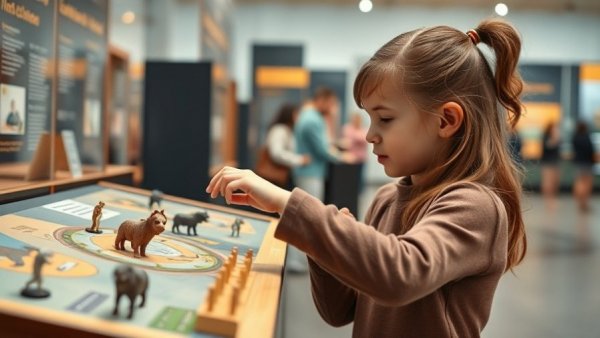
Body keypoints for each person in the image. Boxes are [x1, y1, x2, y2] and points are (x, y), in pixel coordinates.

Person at [207, 18, 527, 337]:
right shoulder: (387, 199)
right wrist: (323, 244)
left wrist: (290, 204)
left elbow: (400, 275)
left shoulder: (475, 207)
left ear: (446, 120)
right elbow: (339, 311)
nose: (371, 135)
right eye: (370, 119)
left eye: (385, 119)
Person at [262, 103, 310, 187]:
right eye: (296, 114)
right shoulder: (279, 130)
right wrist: (299, 160)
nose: (298, 118)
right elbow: (277, 153)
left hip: (285, 176)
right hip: (275, 176)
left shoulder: (288, 130)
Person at [572, 121, 596, 212]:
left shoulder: (575, 137)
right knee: (587, 183)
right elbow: (590, 150)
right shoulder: (586, 137)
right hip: (587, 162)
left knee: (579, 181)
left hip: (578, 162)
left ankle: (579, 201)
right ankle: (584, 202)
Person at [540, 122, 561, 210]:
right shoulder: (546, 137)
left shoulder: (557, 137)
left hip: (555, 162)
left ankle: (553, 198)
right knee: (547, 181)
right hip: (547, 162)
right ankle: (548, 200)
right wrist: (555, 139)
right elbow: (548, 146)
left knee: (555, 181)